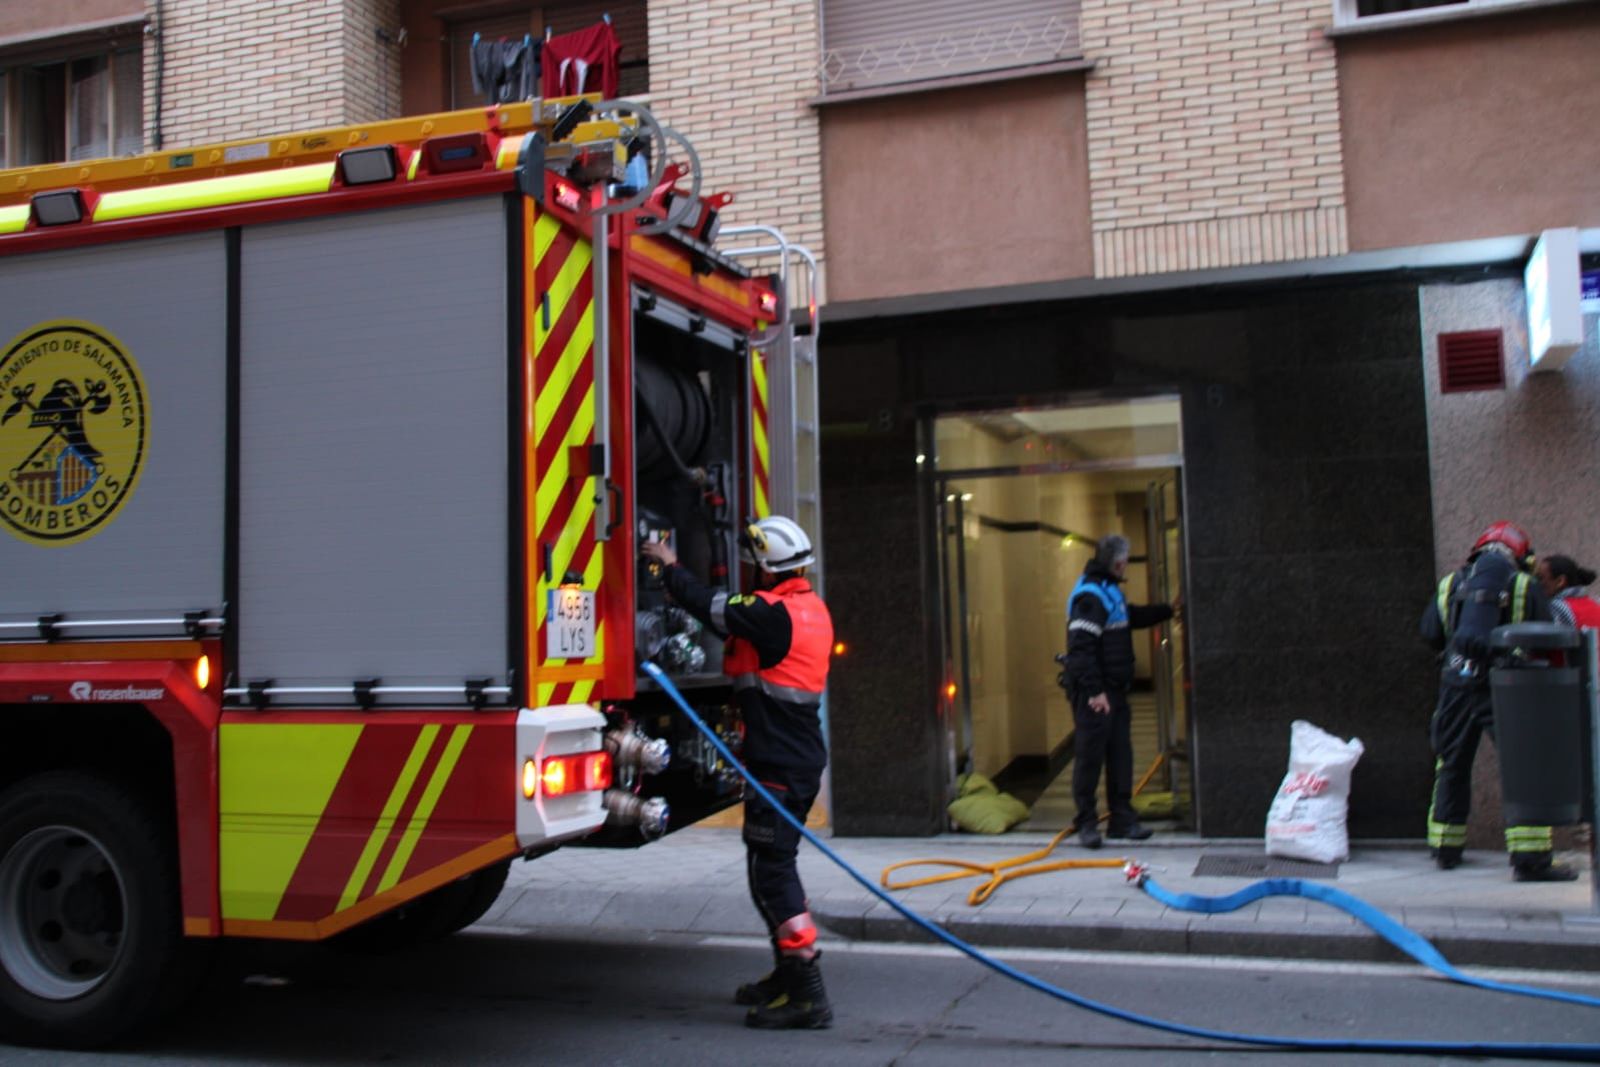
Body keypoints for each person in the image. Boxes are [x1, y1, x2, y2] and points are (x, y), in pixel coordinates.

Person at [641, 515, 835, 1029]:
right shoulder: (810, 609)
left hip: (780, 766)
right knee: (769, 866)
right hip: (792, 759)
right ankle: (786, 973)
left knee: (772, 872)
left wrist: (669, 566)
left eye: (753, 567)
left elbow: (712, 607)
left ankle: (807, 990)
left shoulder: (771, 614)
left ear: (768, 572)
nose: (749, 574)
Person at [1420, 521, 1575, 881]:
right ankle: (1531, 859)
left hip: (1455, 684)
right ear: (1521, 554)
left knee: (1451, 764)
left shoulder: (1450, 584)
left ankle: (1445, 848)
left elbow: (1430, 632)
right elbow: (1542, 633)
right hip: (1505, 689)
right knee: (1524, 766)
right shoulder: (1523, 584)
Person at [1063, 534, 1175, 850]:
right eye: (1124, 560)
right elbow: (1080, 649)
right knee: (1090, 758)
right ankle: (1086, 822)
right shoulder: (1091, 596)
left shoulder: (1110, 592)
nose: (1126, 565)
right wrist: (1094, 692)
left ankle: (1121, 819)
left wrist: (1167, 610)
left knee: (1120, 756)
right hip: (1095, 695)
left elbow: (1131, 617)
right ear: (1117, 562)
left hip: (1114, 691)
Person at [1538, 555, 1600, 632]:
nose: (1537, 583)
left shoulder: (1557, 607)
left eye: (1540, 578)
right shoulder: (1595, 603)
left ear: (1560, 581)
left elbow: (1551, 641)